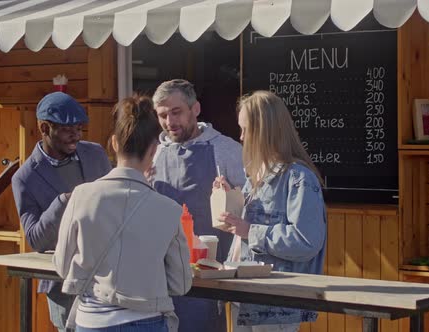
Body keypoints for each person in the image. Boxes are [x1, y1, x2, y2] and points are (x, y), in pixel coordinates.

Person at [53, 96, 192, 332]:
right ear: (154, 149)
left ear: (114, 143)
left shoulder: (81, 196)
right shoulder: (168, 209)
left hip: (92, 320)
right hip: (145, 320)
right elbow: (181, 283)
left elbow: (62, 266)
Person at [215, 91, 327, 332]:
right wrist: (230, 201)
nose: (241, 137)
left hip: (275, 304)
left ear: (264, 132)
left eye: (246, 130)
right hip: (245, 297)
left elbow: (306, 241)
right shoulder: (255, 175)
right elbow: (244, 230)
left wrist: (249, 230)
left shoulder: (298, 178)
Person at [12, 91, 112, 332]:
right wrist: (64, 201)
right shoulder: (24, 178)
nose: (76, 135)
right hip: (64, 285)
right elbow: (35, 239)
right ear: (45, 128)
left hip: (108, 276)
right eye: (69, 129)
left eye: (79, 128)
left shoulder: (95, 153)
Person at [151, 79, 245, 332]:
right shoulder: (154, 153)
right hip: (162, 273)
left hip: (211, 273)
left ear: (196, 109)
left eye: (176, 112)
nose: (170, 121)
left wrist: (232, 197)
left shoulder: (226, 150)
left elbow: (251, 204)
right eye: (162, 115)